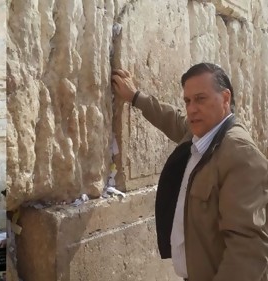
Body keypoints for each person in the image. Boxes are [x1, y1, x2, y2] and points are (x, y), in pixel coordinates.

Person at [111, 62, 268, 281]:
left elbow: (248, 250)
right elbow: (172, 119)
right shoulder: (203, 133)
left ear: (225, 98)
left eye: (201, 99)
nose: (192, 108)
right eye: (188, 101)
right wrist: (136, 97)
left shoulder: (240, 155)